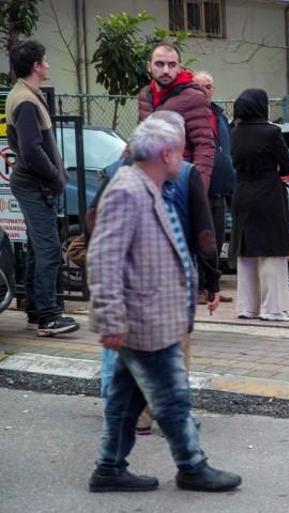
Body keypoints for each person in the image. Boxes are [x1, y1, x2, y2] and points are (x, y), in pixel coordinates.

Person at [87, 115, 240, 493]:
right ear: (167, 153)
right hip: (143, 320)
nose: (184, 156)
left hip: (149, 318)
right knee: (172, 399)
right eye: (180, 148)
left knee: (124, 401)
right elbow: (104, 257)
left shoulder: (149, 186)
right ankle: (191, 466)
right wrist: (111, 318)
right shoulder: (128, 189)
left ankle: (108, 468)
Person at [95, 110, 222, 434]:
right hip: (172, 281)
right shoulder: (188, 173)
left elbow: (92, 221)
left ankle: (133, 418)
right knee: (175, 352)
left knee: (133, 354)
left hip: (131, 283)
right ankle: (171, 419)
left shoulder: (118, 170)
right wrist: (212, 281)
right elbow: (205, 235)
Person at [5, 40, 80, 336]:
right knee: (49, 249)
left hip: (32, 183)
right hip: (34, 184)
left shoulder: (25, 95)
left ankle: (38, 312)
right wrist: (55, 177)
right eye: (45, 60)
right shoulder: (25, 100)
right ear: (36, 66)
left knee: (39, 248)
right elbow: (32, 149)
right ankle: (48, 318)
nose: (48, 64)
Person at [229, 89, 289, 322]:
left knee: (245, 251)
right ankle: (273, 308)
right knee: (272, 252)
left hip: (242, 192)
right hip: (268, 193)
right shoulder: (271, 132)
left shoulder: (234, 133)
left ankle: (247, 307)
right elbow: (286, 165)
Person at [138, 43, 214, 191]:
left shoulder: (193, 97)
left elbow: (204, 147)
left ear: (179, 67)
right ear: (149, 66)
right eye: (159, 64)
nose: (166, 70)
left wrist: (197, 192)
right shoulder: (145, 94)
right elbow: (140, 139)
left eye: (172, 65)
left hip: (177, 185)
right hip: (149, 182)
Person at [192, 71, 235, 304]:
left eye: (208, 86)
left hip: (220, 188)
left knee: (217, 241)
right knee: (201, 240)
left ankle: (211, 287)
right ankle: (198, 287)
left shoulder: (219, 116)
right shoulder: (188, 116)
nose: (205, 91)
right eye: (199, 87)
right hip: (199, 188)